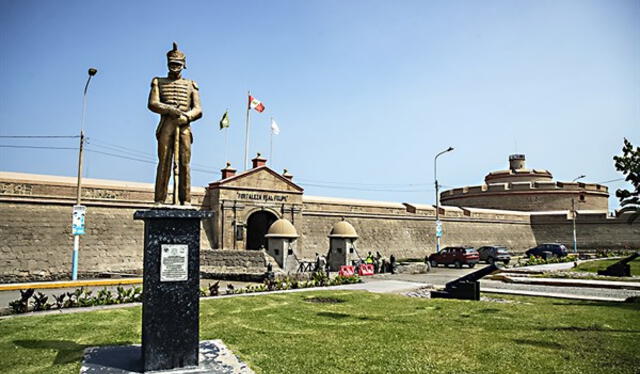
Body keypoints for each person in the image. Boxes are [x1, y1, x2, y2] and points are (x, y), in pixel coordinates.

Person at [148, 42, 202, 206]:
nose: (174, 67)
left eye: (178, 64)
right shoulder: (158, 82)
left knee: (184, 164)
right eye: (172, 64)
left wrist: (187, 117)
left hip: (184, 126)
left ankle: (185, 199)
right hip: (166, 124)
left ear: (183, 65)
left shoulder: (190, 85)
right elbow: (153, 103)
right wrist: (170, 110)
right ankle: (159, 199)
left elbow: (198, 109)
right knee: (164, 162)